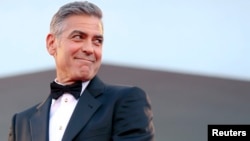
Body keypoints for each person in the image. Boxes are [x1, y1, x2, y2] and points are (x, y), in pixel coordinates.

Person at [8, 1, 155, 141]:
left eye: (97, 41)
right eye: (78, 37)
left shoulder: (126, 101)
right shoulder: (21, 122)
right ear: (52, 43)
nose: (90, 49)